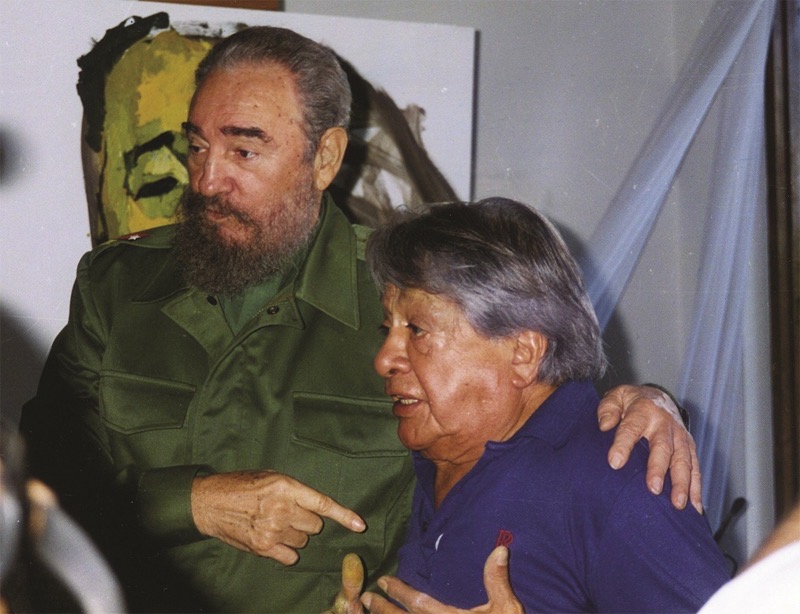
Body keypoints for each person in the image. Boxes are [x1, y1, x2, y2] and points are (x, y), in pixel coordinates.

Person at [21, 26, 701, 613]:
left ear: (325, 158)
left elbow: (535, 401)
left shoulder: (402, 294)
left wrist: (648, 404)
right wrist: (192, 501)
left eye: (244, 150)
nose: (206, 181)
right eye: (196, 146)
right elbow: (34, 485)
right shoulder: (117, 288)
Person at [358, 198, 730, 612]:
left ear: (523, 353)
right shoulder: (440, 453)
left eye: (417, 330)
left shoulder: (611, 478)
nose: (383, 359)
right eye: (387, 329)